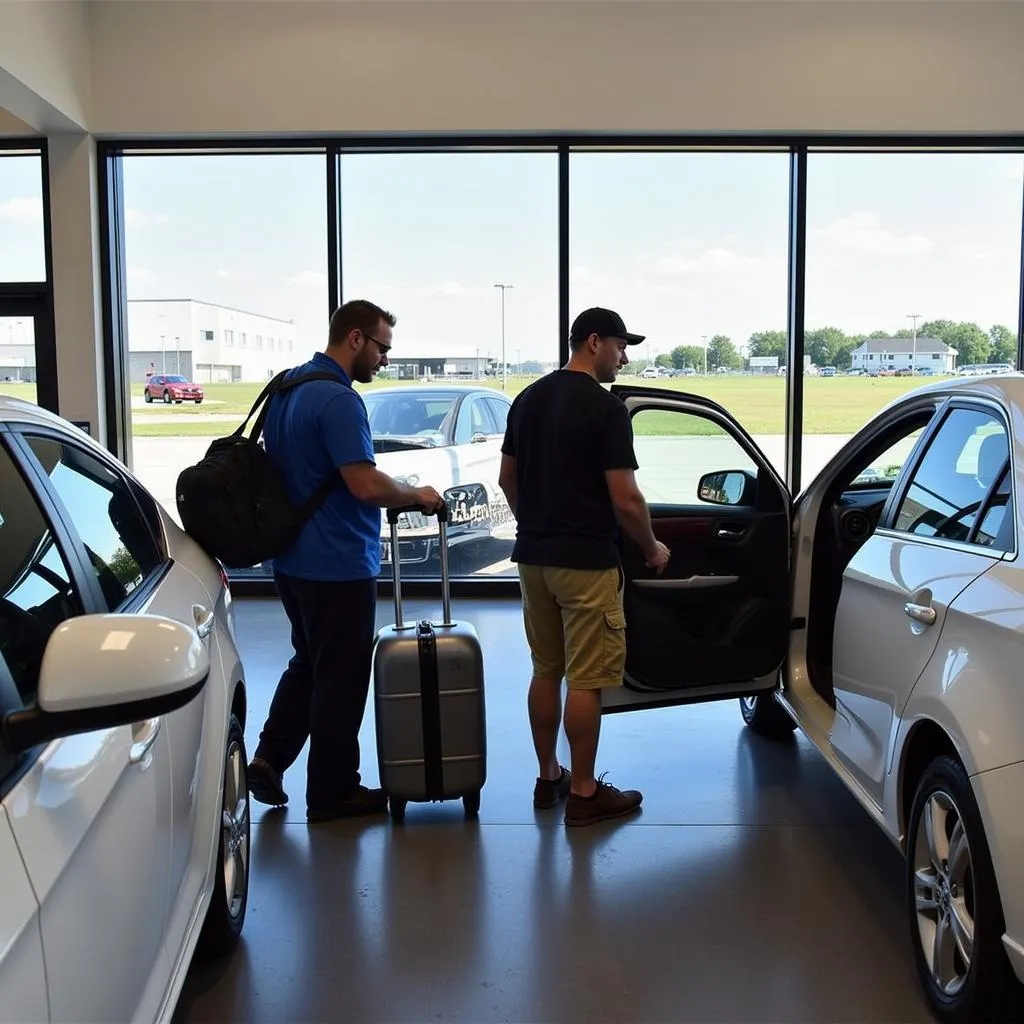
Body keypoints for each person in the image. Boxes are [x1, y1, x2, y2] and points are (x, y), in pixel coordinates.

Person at [247, 299, 444, 822]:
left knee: (310, 663)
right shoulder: (338, 400)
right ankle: (333, 791)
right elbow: (362, 482)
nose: (384, 360)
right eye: (382, 348)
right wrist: (416, 492)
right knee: (341, 678)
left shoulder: (286, 387)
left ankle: (268, 758)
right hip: (336, 564)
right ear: (355, 338)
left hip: (290, 560)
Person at [498, 307, 671, 827]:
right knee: (587, 681)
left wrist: (538, 523)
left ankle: (548, 774)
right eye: (620, 345)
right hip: (587, 563)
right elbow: (626, 499)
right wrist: (651, 548)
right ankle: (584, 791)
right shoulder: (605, 409)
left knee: (546, 669)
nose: (625, 356)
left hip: (533, 560)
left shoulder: (526, 400)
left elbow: (508, 479)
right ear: (593, 342)